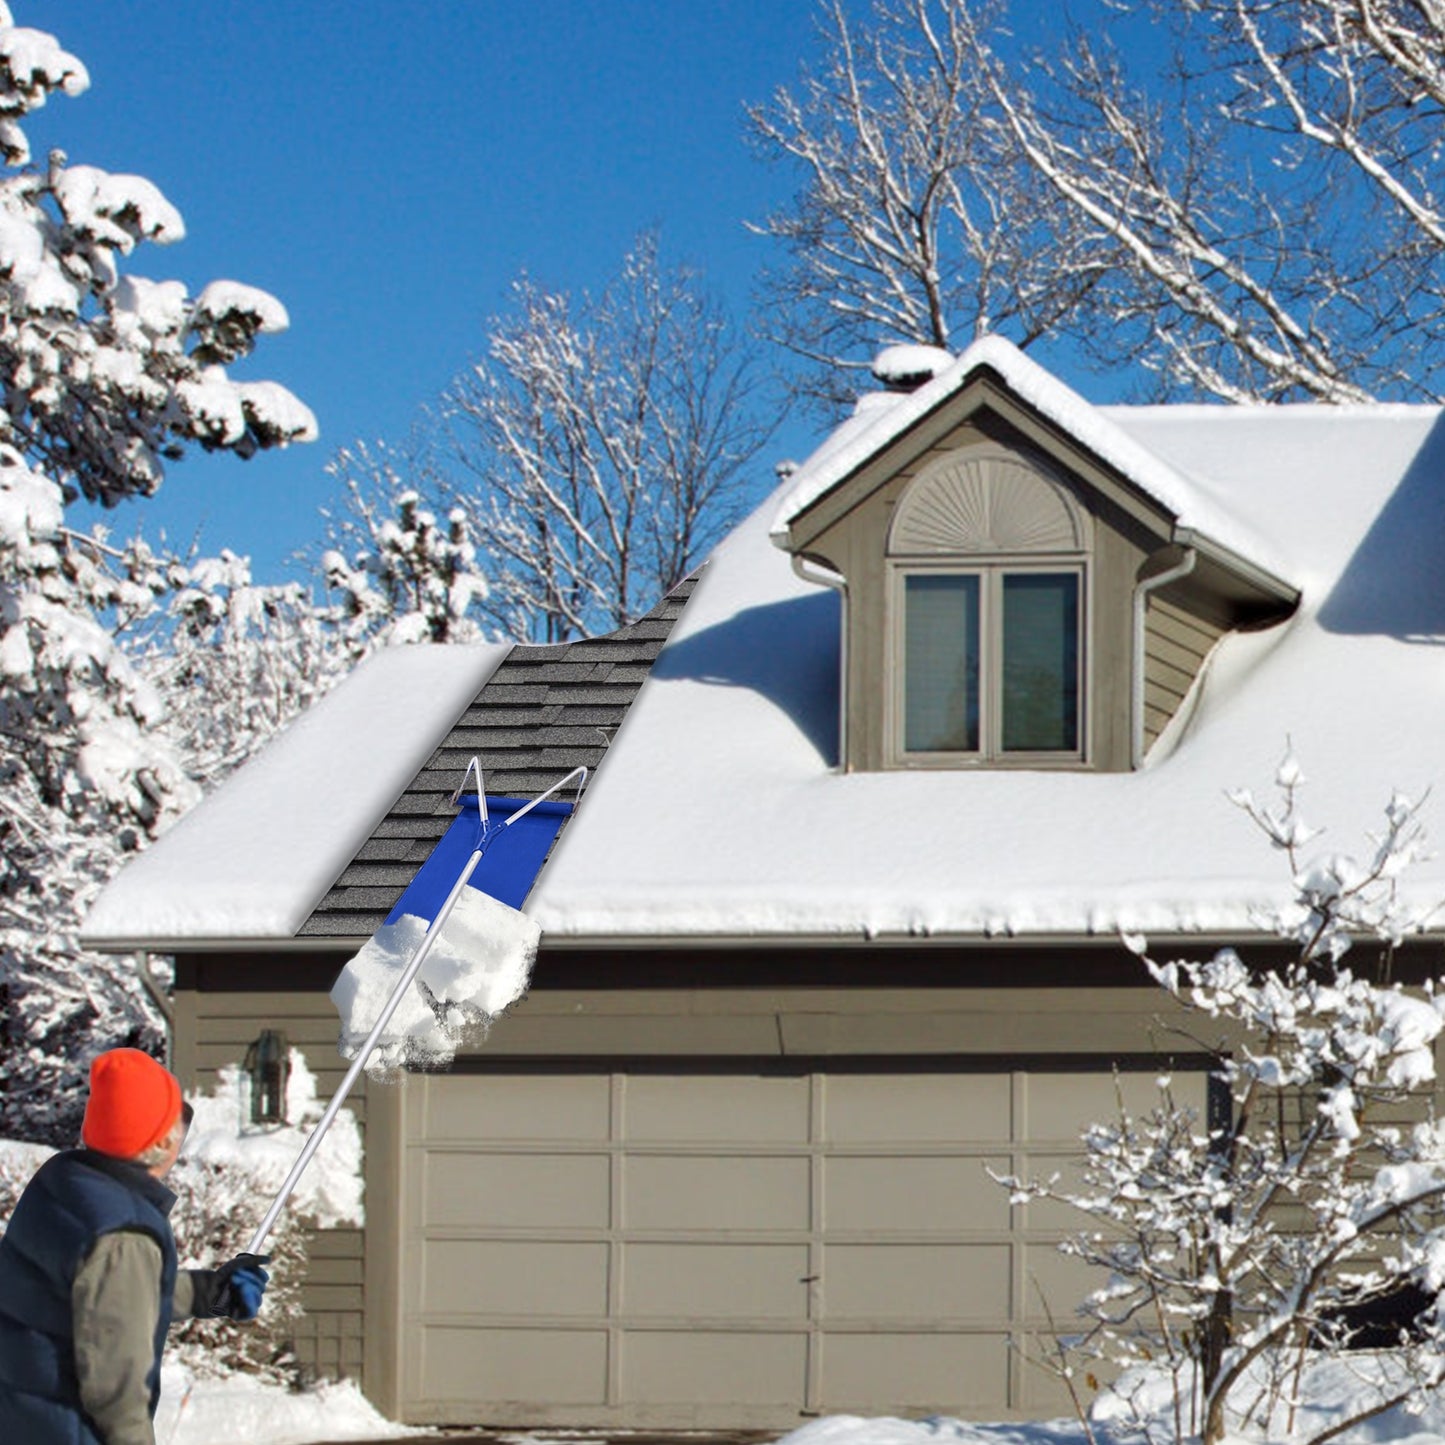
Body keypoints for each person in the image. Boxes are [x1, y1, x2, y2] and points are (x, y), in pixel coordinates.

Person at [0, 1047, 271, 1444]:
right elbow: (117, 1384)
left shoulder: (64, 1183)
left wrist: (207, 1292)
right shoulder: (122, 1234)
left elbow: (105, 1294)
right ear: (160, 1143)